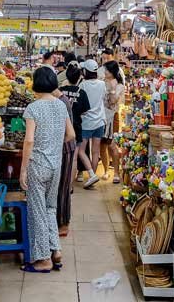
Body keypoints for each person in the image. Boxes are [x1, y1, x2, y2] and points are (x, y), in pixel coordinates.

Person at [20, 67, 76, 273]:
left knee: (37, 211)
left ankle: (43, 259)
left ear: (35, 84)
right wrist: (54, 144)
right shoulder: (61, 106)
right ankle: (56, 250)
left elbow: (29, 141)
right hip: (56, 165)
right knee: (51, 208)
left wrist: (23, 170)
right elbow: (71, 135)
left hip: (38, 165)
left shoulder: (33, 108)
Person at [56, 63, 89, 236]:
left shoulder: (61, 92)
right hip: (76, 128)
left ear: (67, 76)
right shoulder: (81, 93)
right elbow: (85, 111)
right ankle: (70, 185)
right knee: (73, 158)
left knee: (65, 159)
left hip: (62, 131)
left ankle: (63, 185)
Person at [75, 59, 106, 189]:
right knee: (95, 151)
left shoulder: (83, 85)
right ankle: (92, 178)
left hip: (86, 122)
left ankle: (92, 175)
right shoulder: (102, 84)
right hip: (100, 121)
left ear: (85, 71)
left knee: (81, 150)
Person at [101, 60, 125, 184]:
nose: (105, 72)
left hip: (113, 117)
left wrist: (112, 88)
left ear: (113, 72)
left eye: (107, 70)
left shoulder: (119, 85)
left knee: (112, 144)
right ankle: (106, 170)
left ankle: (116, 172)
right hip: (102, 117)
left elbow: (113, 102)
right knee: (102, 144)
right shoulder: (102, 83)